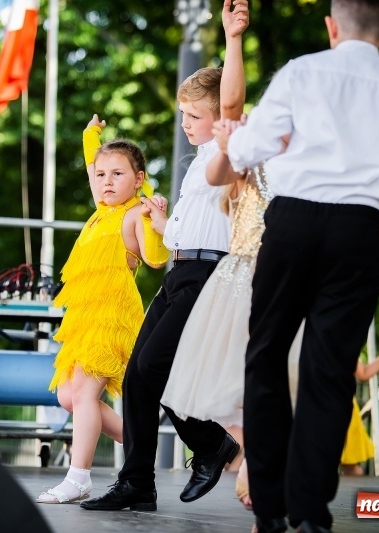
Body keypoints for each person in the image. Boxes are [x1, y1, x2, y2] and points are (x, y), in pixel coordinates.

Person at [207, 0, 379, 531]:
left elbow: (248, 149)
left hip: (294, 224)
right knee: (330, 375)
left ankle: (270, 510)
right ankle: (310, 514)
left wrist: (253, 140)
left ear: (330, 26)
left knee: (266, 358)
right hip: (356, 234)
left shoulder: (302, 72)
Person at [80, 0, 250, 512]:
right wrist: (161, 221)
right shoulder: (197, 163)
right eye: (183, 115)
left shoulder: (228, 148)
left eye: (195, 115)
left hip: (207, 275)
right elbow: (181, 231)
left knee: (158, 371)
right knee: (140, 376)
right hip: (180, 270)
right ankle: (145, 479)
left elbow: (234, 103)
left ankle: (208, 447)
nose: (186, 124)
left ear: (219, 117)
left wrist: (233, 39)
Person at [37, 116, 169, 504]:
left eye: (117, 174)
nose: (106, 181)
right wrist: (90, 134)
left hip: (112, 315)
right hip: (83, 315)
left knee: (82, 391)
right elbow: (92, 158)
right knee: (69, 398)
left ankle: (78, 477)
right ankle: (138, 439)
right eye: (100, 175)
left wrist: (156, 222)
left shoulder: (133, 213)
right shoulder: (100, 209)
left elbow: (157, 260)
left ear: (139, 178)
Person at [341, 339, 379, 476]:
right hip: (310, 404)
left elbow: (363, 373)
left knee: (350, 465)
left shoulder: (340, 342)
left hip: (343, 408)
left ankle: (354, 496)